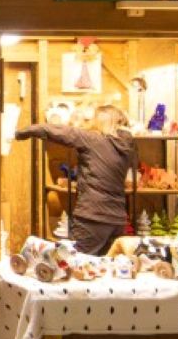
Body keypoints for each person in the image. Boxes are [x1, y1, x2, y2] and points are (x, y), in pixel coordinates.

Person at [14, 105, 134, 255]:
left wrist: (20, 132)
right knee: (103, 269)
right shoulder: (126, 147)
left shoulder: (93, 139)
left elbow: (59, 131)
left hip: (93, 216)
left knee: (75, 264)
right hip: (117, 220)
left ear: (101, 122)